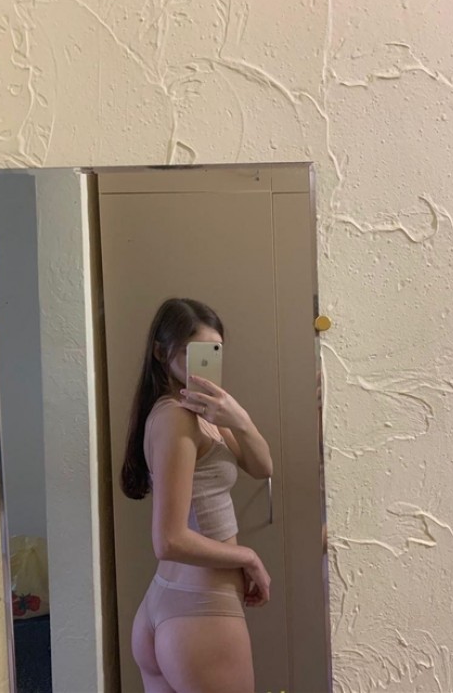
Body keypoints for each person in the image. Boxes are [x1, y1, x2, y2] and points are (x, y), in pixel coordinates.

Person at [121, 297, 273, 693]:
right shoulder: (176, 418)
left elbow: (262, 466)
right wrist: (248, 557)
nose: (206, 362)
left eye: (214, 351)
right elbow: (168, 540)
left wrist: (239, 419)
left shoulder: (202, 414)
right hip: (199, 611)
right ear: (161, 353)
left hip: (174, 606)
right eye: (195, 352)